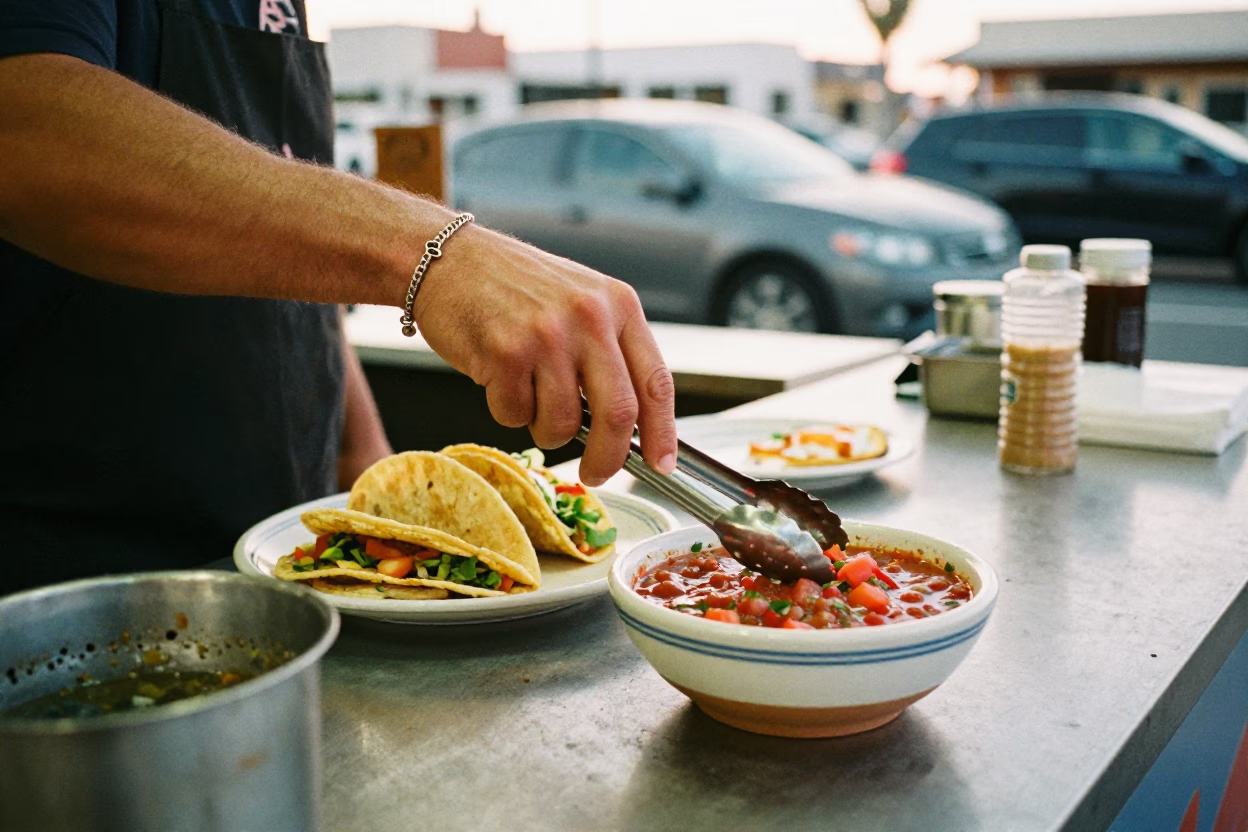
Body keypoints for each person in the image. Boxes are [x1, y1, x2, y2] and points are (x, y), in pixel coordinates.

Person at [0, 0, 677, 594]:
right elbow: (24, 128)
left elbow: (281, 236)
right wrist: (436, 252)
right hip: (73, 593)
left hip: (289, 563)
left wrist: (365, 453)